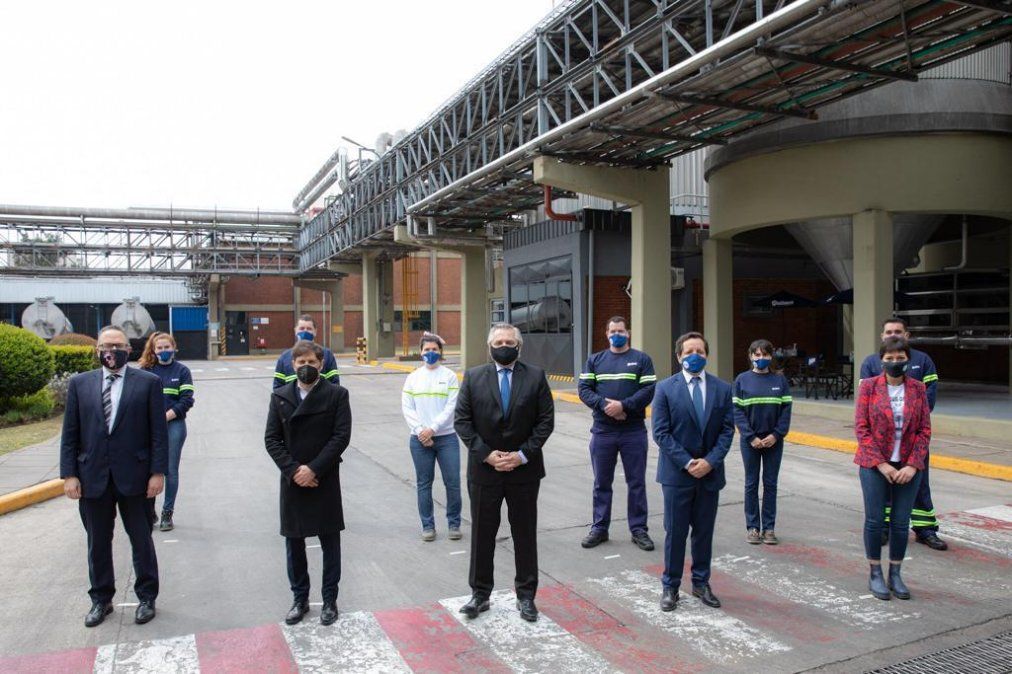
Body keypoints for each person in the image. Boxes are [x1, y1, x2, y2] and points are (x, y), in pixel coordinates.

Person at [59, 325, 168, 627]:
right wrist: (69, 475)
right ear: (97, 350)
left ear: (128, 349)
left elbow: (159, 434)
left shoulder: (148, 383)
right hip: (92, 477)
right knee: (98, 542)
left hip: (135, 477)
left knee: (141, 540)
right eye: (106, 345)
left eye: (118, 345)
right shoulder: (80, 384)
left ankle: (146, 597)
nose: (112, 350)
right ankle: (101, 599)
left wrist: (158, 473)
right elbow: (70, 434)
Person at [453, 323, 554, 623]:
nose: (504, 345)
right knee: (482, 534)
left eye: (510, 341)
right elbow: (462, 421)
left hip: (524, 471)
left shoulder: (535, 376)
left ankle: (526, 596)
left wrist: (522, 455)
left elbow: (545, 422)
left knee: (524, 534)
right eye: (499, 341)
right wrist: (487, 455)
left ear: (519, 347)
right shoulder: (473, 377)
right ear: (490, 346)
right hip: (485, 471)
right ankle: (480, 594)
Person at [265, 340, 352, 626]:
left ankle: (329, 600)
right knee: (294, 542)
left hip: (324, 478)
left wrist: (313, 469)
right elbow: (271, 439)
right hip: (293, 481)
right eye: (301, 363)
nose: (306, 367)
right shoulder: (279, 396)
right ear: (292, 365)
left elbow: (340, 437)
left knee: (330, 541)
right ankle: (299, 599)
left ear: (321, 364)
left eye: (311, 363)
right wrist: (294, 471)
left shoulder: (337, 395)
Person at [651, 332, 734, 612]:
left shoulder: (722, 389)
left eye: (699, 351)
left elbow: (726, 431)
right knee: (675, 533)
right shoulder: (664, 388)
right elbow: (661, 433)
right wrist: (688, 462)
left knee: (703, 532)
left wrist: (710, 462)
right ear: (679, 357)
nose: (694, 356)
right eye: (688, 352)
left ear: (707, 355)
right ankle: (670, 586)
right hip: (677, 475)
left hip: (710, 474)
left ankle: (701, 583)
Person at [859, 317, 945, 551]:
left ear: (907, 335)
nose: (893, 335)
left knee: (919, 486)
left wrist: (911, 421)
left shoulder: (923, 360)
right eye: (888, 332)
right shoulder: (870, 363)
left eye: (898, 331)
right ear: (882, 336)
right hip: (881, 445)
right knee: (883, 489)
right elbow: (864, 411)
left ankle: (925, 529)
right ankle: (885, 528)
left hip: (913, 439)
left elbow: (929, 398)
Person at [855, 337, 930, 601]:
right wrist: (882, 464)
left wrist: (911, 465)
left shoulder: (918, 389)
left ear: (907, 359)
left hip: (909, 467)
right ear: (881, 360)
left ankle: (895, 573)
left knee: (900, 523)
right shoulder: (869, 388)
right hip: (875, 465)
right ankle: (875, 572)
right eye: (890, 358)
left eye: (900, 358)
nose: (895, 362)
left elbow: (924, 430)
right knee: (875, 521)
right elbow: (862, 429)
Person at [577, 316, 656, 551]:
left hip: (633, 431)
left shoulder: (641, 359)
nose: (617, 334)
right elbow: (583, 389)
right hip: (603, 431)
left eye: (621, 330)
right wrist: (605, 406)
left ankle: (639, 529)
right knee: (602, 482)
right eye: (613, 331)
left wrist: (624, 406)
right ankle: (600, 528)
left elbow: (649, 389)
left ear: (628, 333)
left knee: (637, 482)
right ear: (606, 333)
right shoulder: (595, 360)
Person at [401, 332, 462, 542]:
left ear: (441, 352)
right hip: (419, 441)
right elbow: (407, 408)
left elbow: (451, 407)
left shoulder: (450, 376)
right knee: (424, 483)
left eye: (434, 350)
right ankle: (428, 526)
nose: (430, 353)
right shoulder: (413, 377)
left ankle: (454, 523)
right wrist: (420, 431)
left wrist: (432, 429)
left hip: (446, 439)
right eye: (427, 350)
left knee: (452, 482)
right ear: (420, 352)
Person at [733, 339, 792, 545]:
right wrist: (751, 437)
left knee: (770, 484)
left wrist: (776, 435)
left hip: (774, 441)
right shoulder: (741, 380)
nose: (761, 358)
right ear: (750, 356)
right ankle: (752, 527)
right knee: (751, 483)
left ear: (771, 356)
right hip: (750, 442)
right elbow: (737, 412)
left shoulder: (780, 380)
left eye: (765, 354)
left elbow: (786, 411)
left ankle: (769, 528)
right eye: (756, 355)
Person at [139, 331, 195, 532]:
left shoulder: (182, 371)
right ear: (154, 350)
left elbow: (187, 400)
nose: (164, 351)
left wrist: (165, 417)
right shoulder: (146, 371)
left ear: (174, 347)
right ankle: (149, 510)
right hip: (148, 427)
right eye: (159, 348)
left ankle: (167, 512)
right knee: (148, 468)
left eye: (167, 347)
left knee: (170, 470)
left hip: (174, 425)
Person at [273, 314, 340, 389]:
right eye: (302, 328)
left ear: (315, 331)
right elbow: (278, 388)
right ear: (295, 330)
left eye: (309, 329)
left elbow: (334, 385)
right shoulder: (284, 357)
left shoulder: (327, 355)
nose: (305, 331)